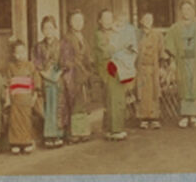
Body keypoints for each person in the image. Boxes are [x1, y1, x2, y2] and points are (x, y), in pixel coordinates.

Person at [59, 9, 93, 143]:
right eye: (75, 20)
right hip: (72, 74)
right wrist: (77, 67)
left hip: (82, 74)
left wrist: (88, 68)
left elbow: (88, 57)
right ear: (70, 22)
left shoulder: (83, 38)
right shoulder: (67, 38)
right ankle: (73, 133)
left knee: (82, 103)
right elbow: (65, 59)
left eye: (80, 20)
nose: (78, 23)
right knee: (73, 104)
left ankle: (83, 131)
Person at [94, 9, 129, 141]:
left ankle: (117, 128)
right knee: (112, 99)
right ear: (100, 21)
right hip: (107, 68)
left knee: (119, 98)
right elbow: (107, 50)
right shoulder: (99, 35)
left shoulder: (114, 32)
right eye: (105, 18)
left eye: (110, 18)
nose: (108, 21)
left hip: (118, 67)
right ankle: (113, 130)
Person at [32, 15, 65, 147]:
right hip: (44, 77)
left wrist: (57, 74)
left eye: (51, 28)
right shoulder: (38, 46)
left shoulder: (61, 45)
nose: (48, 31)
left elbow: (64, 63)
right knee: (47, 104)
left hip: (58, 77)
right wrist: (45, 74)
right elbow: (37, 64)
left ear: (55, 29)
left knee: (58, 104)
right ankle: (48, 135)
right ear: (42, 30)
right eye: (45, 28)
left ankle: (58, 134)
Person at [7, 39, 41, 154]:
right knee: (15, 120)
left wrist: (35, 94)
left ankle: (26, 142)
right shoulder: (11, 66)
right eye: (17, 52)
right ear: (13, 54)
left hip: (27, 96)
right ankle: (15, 143)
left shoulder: (30, 65)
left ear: (26, 52)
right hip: (15, 97)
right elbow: (7, 82)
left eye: (22, 52)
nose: (20, 55)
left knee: (26, 120)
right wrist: (8, 96)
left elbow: (36, 79)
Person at [135, 12, 166, 130]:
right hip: (141, 69)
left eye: (150, 19)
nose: (148, 21)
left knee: (154, 92)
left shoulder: (158, 35)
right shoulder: (137, 35)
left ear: (153, 21)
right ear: (141, 21)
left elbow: (162, 52)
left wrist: (162, 67)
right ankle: (143, 119)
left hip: (154, 68)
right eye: (145, 19)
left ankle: (154, 118)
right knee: (142, 93)